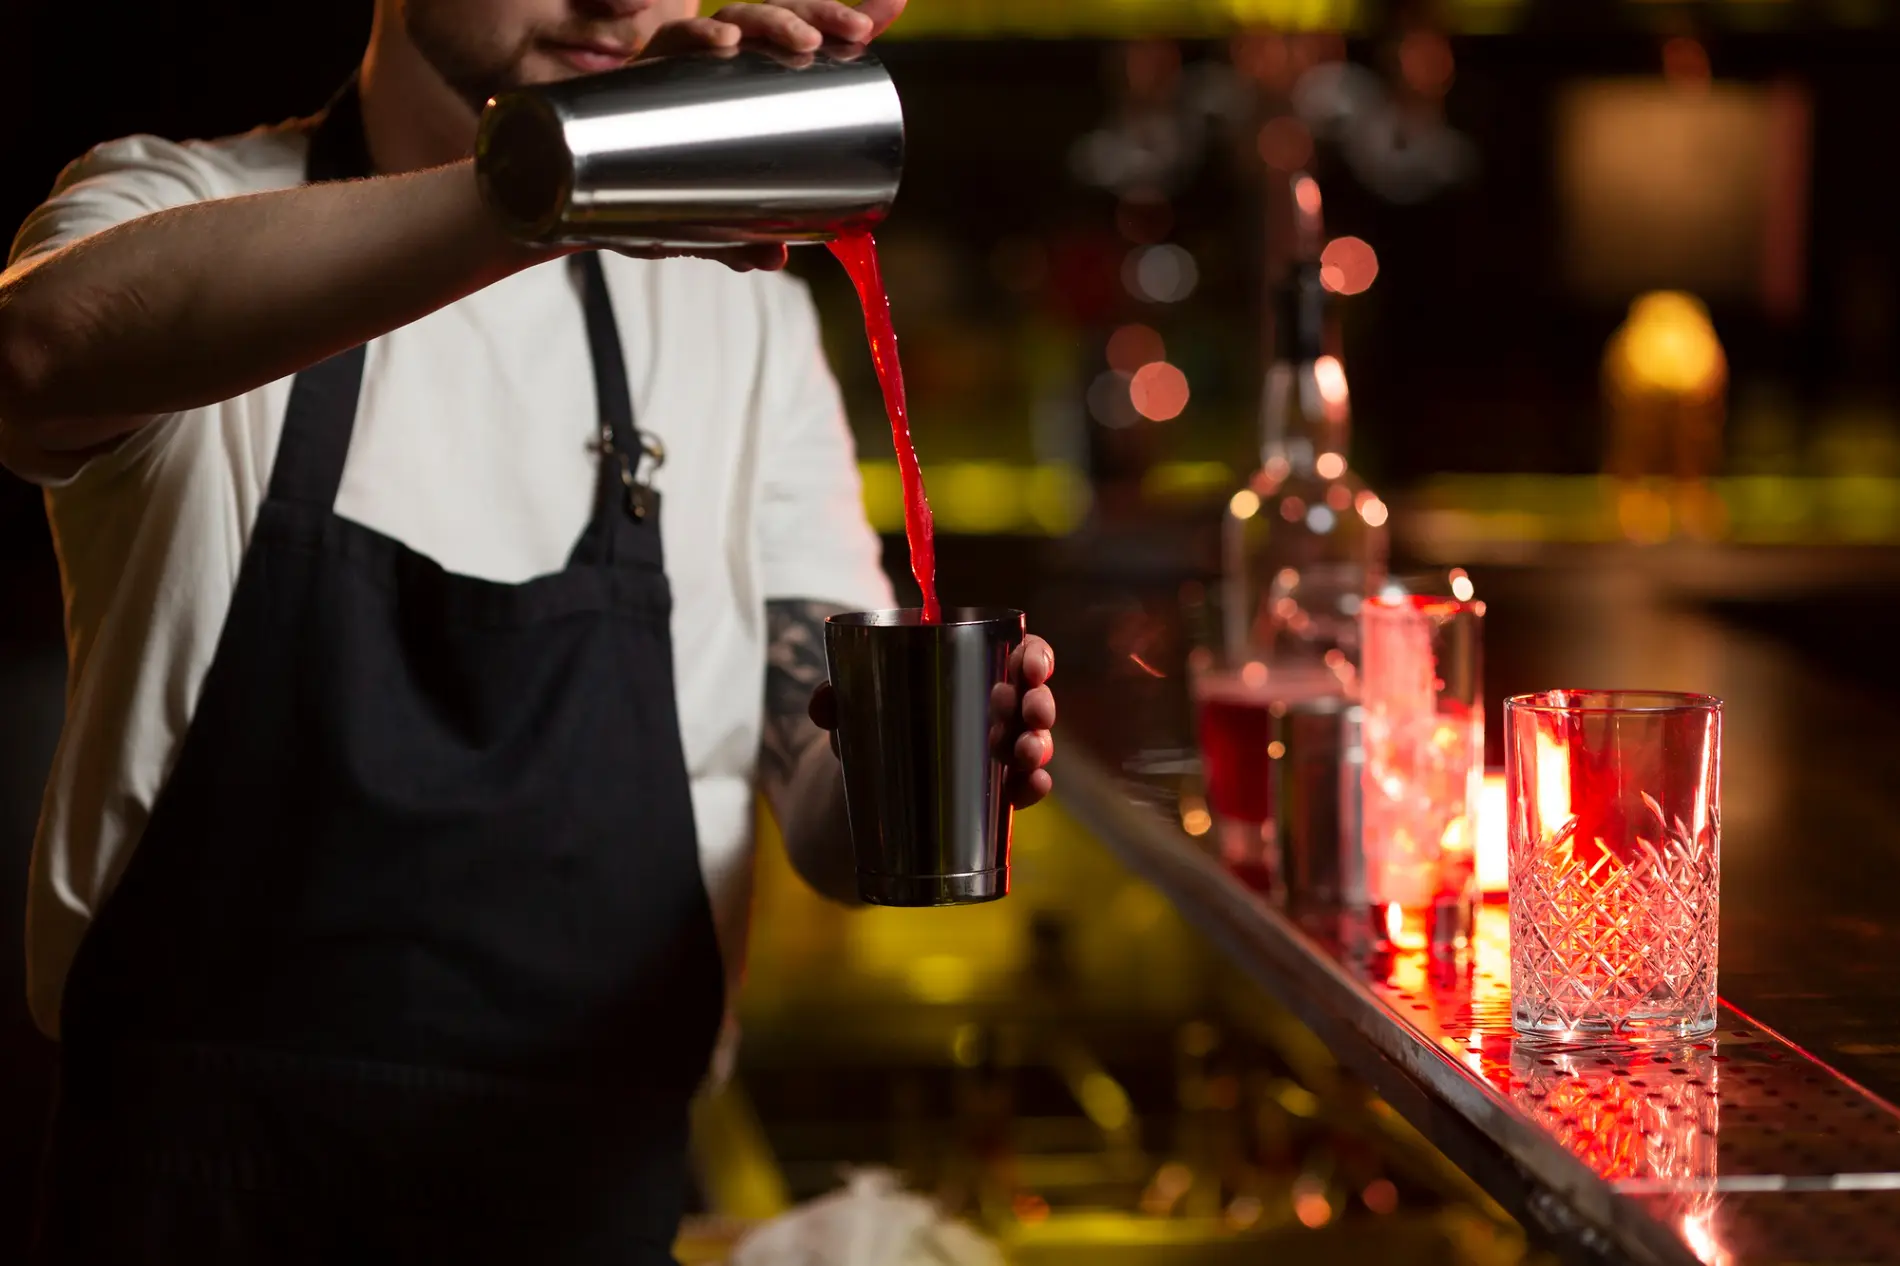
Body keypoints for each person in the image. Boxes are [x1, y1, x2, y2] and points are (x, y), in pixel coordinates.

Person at [0, 1, 1059, 1261]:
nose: (615, 0)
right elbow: (40, 352)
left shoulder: (739, 318)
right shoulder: (178, 207)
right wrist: (553, 180)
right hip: (200, 1203)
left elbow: (823, 797)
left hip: (585, 1205)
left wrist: (928, 763)